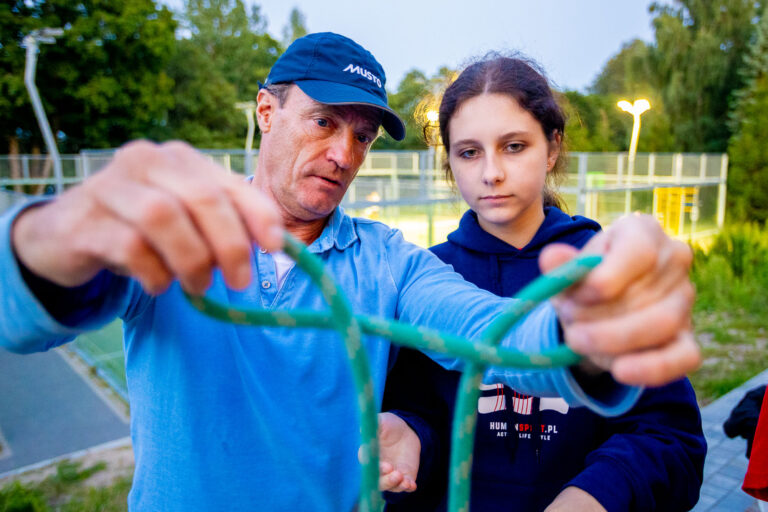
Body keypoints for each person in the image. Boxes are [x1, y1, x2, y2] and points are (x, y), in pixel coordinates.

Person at [0, 33, 699, 512]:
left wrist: (586, 331)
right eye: (323, 122)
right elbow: (23, 318)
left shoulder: (387, 259)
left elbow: (494, 331)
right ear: (267, 111)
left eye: (361, 135)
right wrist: (56, 234)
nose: (344, 153)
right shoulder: (176, 233)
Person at [382, 53, 706, 512]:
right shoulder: (429, 279)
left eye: (514, 146)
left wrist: (593, 495)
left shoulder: (601, 269)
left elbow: (671, 439)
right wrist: (413, 437)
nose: (491, 172)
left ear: (552, 148)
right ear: (450, 161)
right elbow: (424, 412)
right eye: (469, 152)